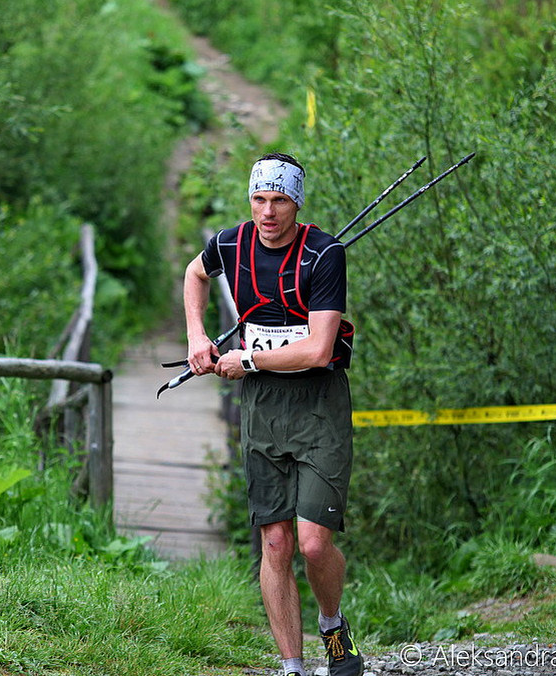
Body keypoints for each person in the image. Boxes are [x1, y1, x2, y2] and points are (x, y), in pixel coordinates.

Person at [182, 152, 362, 676]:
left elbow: (318, 349)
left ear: (296, 204)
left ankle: (331, 625)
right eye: (259, 199)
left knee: (311, 541)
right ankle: (291, 666)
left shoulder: (324, 254)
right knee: (276, 540)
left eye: (279, 200)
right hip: (262, 407)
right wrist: (196, 335)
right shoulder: (231, 243)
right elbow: (194, 273)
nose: (267, 212)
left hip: (318, 405)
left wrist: (248, 358)